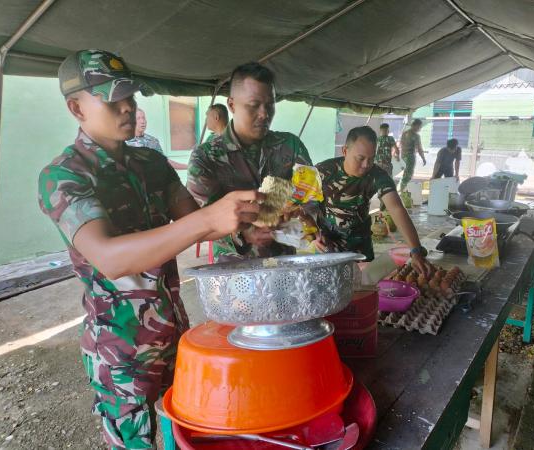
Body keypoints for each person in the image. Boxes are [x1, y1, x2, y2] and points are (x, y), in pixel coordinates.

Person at [38, 49, 262, 450]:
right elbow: (109, 257)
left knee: (186, 429)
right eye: (111, 98)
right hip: (120, 347)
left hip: (174, 330)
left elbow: (196, 223)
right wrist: (209, 219)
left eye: (131, 97)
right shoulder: (65, 175)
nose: (126, 107)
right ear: (76, 107)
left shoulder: (151, 163)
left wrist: (246, 222)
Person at [187, 62, 315, 261]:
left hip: (285, 267)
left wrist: (303, 215)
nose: (264, 114)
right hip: (234, 273)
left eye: (270, 105)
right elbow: (199, 223)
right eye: (254, 105)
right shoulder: (206, 158)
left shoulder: (290, 146)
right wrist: (242, 233)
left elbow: (312, 198)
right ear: (232, 105)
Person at [315, 126, 431, 276]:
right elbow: (305, 207)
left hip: (360, 247)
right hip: (327, 246)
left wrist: (415, 250)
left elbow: (396, 208)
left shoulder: (377, 175)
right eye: (360, 158)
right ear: (345, 151)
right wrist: (312, 234)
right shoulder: (323, 171)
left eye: (371, 159)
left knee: (364, 290)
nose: (366, 165)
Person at [396, 118, 426, 192]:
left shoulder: (404, 133)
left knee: (405, 174)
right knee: (408, 175)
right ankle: (400, 190)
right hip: (410, 157)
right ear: (416, 125)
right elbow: (419, 148)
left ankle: (400, 189)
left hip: (402, 156)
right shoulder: (415, 136)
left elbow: (399, 145)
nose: (420, 128)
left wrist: (397, 155)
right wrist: (423, 158)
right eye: (419, 127)